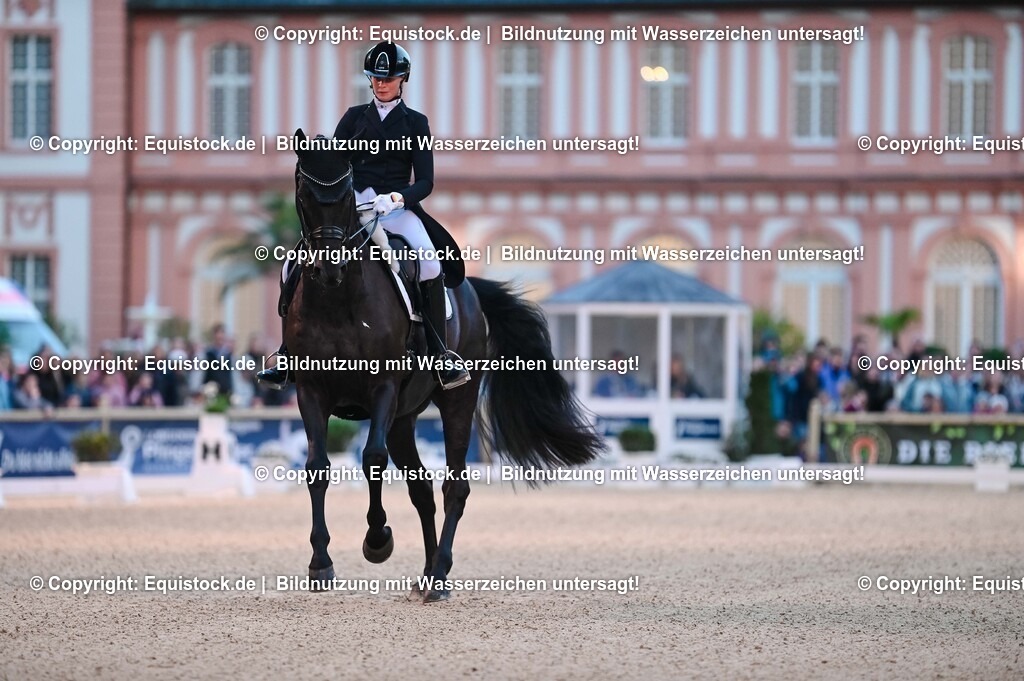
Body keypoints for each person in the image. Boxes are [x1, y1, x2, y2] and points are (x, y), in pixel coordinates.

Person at [257, 40, 469, 391]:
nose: (382, 84)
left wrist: (398, 197)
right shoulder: (354, 118)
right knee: (292, 263)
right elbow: (335, 166)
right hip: (353, 208)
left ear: (403, 79)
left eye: (389, 78)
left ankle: (439, 353)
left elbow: (427, 181)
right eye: (376, 78)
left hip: (396, 210)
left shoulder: (416, 123)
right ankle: (285, 353)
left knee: (430, 263)